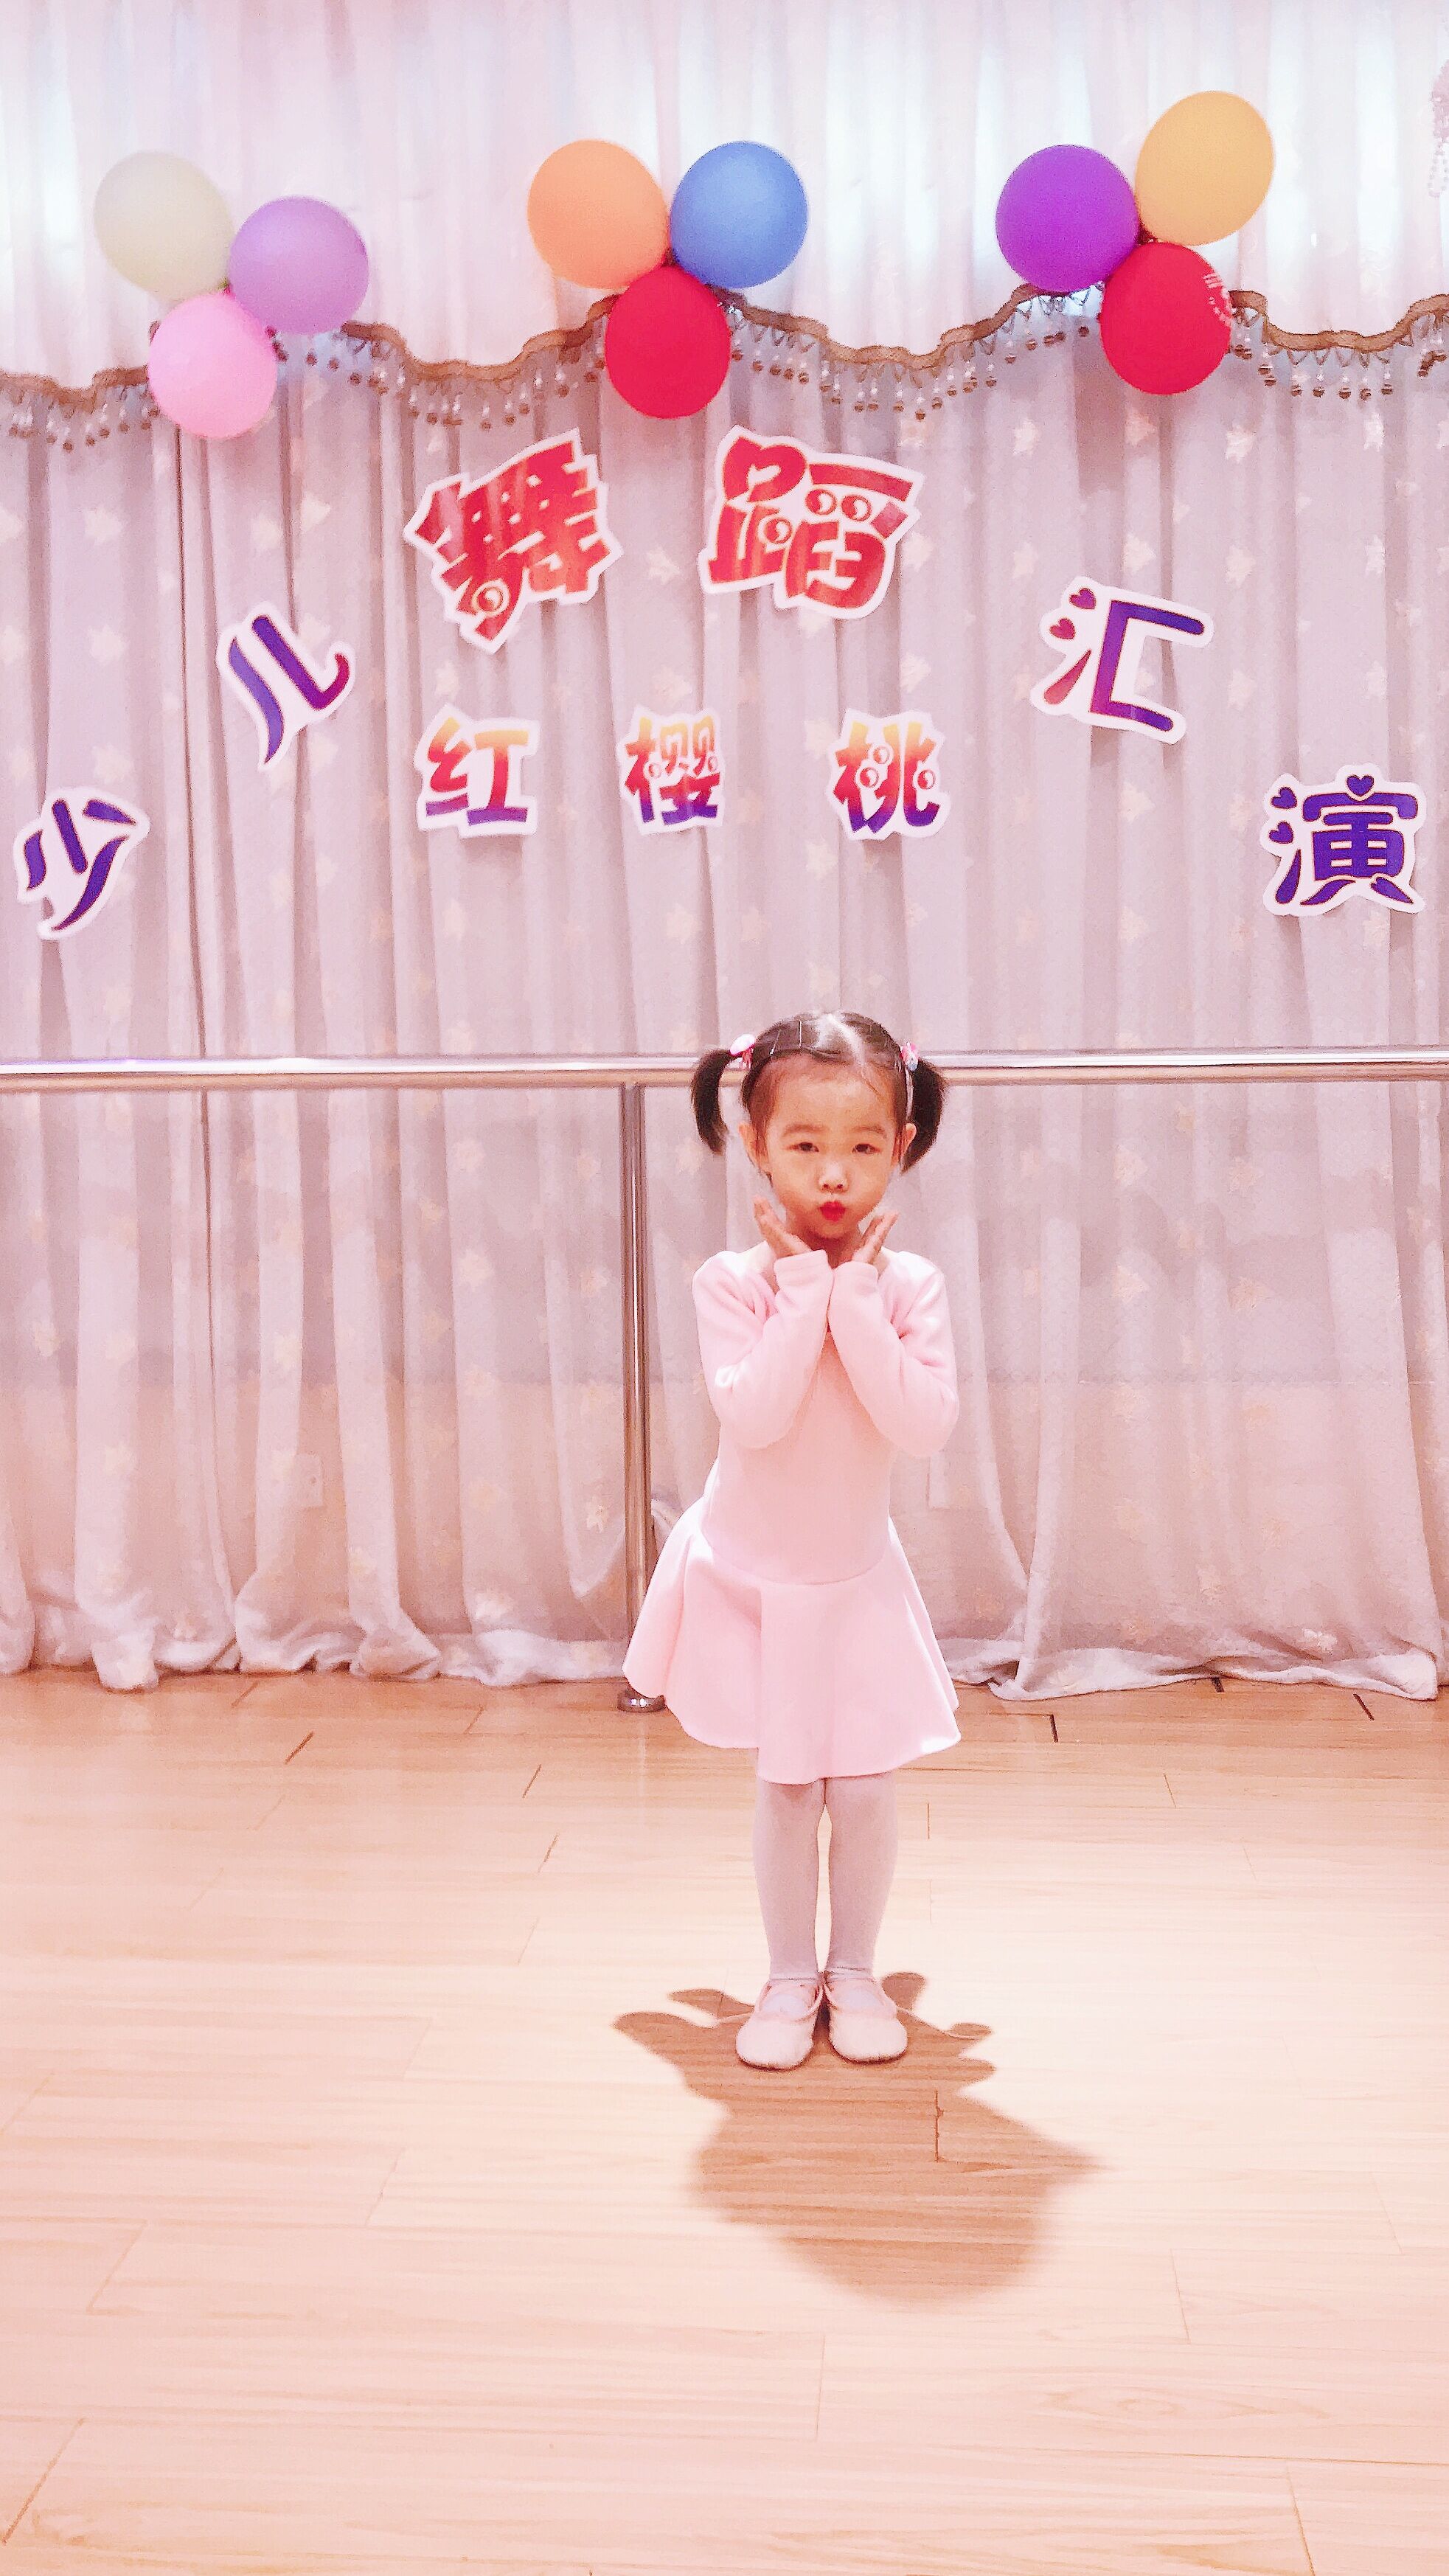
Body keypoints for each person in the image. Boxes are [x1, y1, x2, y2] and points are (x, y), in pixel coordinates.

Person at [624, 1011, 959, 2072]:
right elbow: (756, 1413)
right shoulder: (732, 1282)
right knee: (787, 1785)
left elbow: (921, 1424)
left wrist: (853, 1297)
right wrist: (806, 1292)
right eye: (805, 1144)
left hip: (854, 1582)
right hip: (756, 1578)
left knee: (862, 1785)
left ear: (901, 1146)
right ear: (756, 1145)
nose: (834, 1173)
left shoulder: (909, 1286)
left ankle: (853, 1970)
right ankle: (786, 1973)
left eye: (862, 1145)